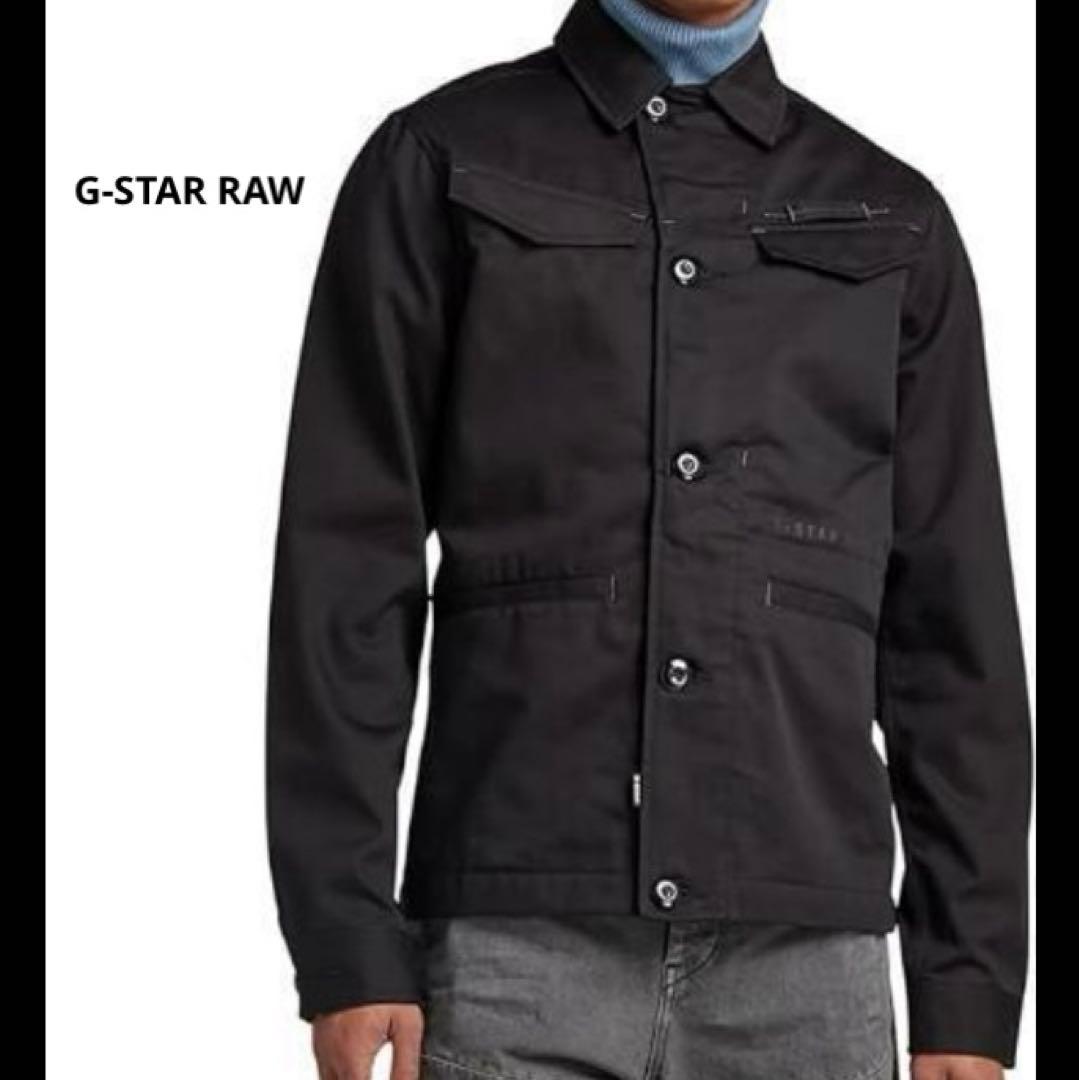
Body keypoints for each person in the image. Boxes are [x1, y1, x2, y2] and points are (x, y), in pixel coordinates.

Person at [267, 0, 1033, 1077]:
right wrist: (345, 938)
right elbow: (344, 570)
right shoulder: (441, 160)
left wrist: (965, 983)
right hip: (512, 942)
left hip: (804, 963)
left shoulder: (892, 216)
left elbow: (951, 623)